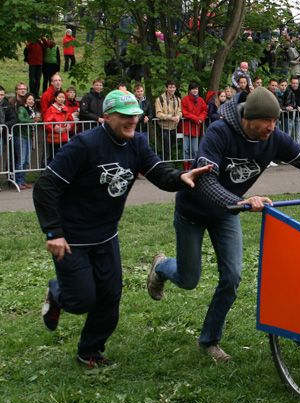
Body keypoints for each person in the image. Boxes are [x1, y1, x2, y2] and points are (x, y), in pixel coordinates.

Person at [146, 87, 300, 362]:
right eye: (266, 120)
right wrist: (239, 201)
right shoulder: (219, 133)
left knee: (232, 277)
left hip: (226, 214)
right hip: (193, 211)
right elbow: (205, 181)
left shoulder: (274, 138)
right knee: (189, 279)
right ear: (248, 117)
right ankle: (161, 267)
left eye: (275, 120)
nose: (271, 126)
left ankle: (208, 341)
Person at [32, 90, 212, 368]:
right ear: (106, 117)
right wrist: (53, 233)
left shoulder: (137, 143)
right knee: (81, 300)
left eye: (135, 115)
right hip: (73, 237)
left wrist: (180, 176)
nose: (132, 121)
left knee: (110, 296)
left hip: (106, 236)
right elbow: (45, 187)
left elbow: (157, 171)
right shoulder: (84, 145)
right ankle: (56, 293)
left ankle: (90, 351)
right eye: (125, 116)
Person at [180, 82, 208, 170]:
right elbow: (184, 112)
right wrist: (196, 118)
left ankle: (192, 167)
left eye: (196, 89)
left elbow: (205, 110)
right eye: (193, 89)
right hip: (186, 128)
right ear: (190, 90)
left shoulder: (201, 100)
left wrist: (201, 118)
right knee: (185, 149)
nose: (195, 91)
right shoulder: (185, 100)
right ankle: (186, 169)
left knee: (195, 150)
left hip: (196, 128)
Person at [13, 93, 37, 189]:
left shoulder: (31, 110)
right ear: (25, 100)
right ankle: (18, 181)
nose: (31, 101)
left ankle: (22, 180)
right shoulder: (21, 109)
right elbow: (21, 119)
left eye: (33, 100)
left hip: (29, 136)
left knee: (26, 160)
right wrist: (33, 121)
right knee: (21, 160)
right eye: (29, 99)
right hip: (21, 136)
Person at [155, 80, 182, 160]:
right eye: (170, 87)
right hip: (165, 127)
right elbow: (158, 113)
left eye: (173, 87)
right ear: (166, 88)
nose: (172, 89)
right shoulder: (160, 99)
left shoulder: (177, 99)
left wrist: (178, 116)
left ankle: (167, 163)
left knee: (171, 148)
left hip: (174, 127)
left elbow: (180, 111)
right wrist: (170, 117)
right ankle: (163, 163)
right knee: (166, 150)